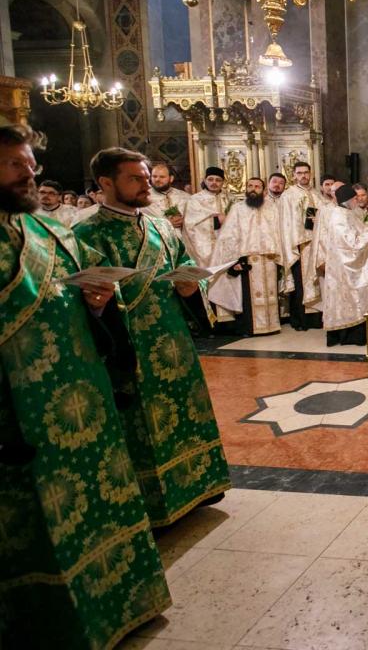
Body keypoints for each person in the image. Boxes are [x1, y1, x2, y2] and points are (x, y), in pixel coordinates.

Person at [0, 124, 171, 648]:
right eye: (14, 165)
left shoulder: (47, 228)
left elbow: (66, 291)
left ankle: (120, 601)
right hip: (19, 407)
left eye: (30, 163)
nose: (31, 173)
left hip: (78, 392)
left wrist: (93, 302)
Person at [74, 147, 231, 526]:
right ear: (106, 183)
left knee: (185, 410)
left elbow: (184, 263)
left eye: (147, 177)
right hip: (131, 344)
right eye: (136, 179)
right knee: (147, 423)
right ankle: (156, 505)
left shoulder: (160, 224)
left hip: (173, 339)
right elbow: (87, 298)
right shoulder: (87, 232)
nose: (146, 185)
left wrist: (190, 285)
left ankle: (197, 487)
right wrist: (97, 302)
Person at [208, 176, 285, 336]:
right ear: (246, 188)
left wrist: (280, 254)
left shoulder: (273, 208)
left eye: (257, 186)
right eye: (250, 186)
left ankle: (272, 326)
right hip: (248, 258)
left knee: (271, 294)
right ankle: (251, 328)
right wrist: (235, 259)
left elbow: (280, 232)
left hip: (269, 258)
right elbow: (229, 235)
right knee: (249, 296)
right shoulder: (238, 208)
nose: (253, 189)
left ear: (263, 191)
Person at [317, 184, 368, 346]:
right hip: (344, 269)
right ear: (347, 200)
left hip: (345, 267)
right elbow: (351, 243)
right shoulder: (339, 217)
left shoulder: (347, 213)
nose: (357, 200)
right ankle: (350, 335)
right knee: (353, 296)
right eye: (354, 198)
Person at [278, 161, 323, 331]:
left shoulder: (317, 195)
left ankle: (315, 318)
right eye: (299, 173)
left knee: (316, 281)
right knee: (300, 283)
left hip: (316, 245)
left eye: (306, 172)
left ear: (310, 174)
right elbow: (286, 222)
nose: (303, 176)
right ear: (294, 175)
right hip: (299, 245)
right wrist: (294, 243)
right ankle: (300, 320)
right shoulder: (288, 195)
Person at [183, 166, 229, 267]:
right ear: (205, 180)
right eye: (210, 179)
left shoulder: (230, 199)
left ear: (223, 182)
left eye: (218, 180)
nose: (214, 183)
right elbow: (189, 225)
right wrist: (215, 221)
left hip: (226, 247)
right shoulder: (195, 200)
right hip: (204, 248)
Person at [145, 162, 190, 232]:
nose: (157, 179)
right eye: (154, 176)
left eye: (162, 177)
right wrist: (166, 224)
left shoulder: (185, 197)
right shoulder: (144, 198)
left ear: (171, 178)